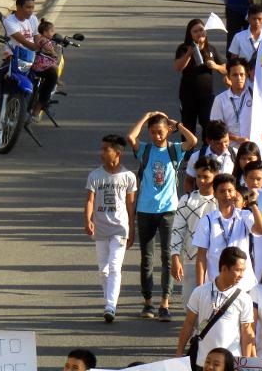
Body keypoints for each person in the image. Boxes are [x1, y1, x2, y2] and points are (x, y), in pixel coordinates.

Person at [126, 110, 198, 321]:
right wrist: (146, 116)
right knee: (147, 258)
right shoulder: (145, 150)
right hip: (146, 209)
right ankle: (148, 302)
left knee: (168, 257)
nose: (158, 136)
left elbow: (192, 140)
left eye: (161, 131)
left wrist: (177, 124)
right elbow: (131, 137)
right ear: (149, 132)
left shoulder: (175, 150)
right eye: (153, 132)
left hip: (168, 211)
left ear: (168, 131)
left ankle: (164, 303)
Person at [84, 134, 137, 323]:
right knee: (103, 270)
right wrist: (87, 219)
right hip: (101, 228)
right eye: (102, 148)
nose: (102, 152)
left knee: (115, 266)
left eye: (106, 149)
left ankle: (110, 306)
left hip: (120, 229)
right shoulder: (95, 175)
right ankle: (108, 302)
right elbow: (90, 200)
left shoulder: (128, 177)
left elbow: (131, 205)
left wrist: (132, 228)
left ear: (118, 153)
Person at [177, 247, 257, 361]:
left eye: (244, 270)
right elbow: (188, 324)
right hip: (203, 362)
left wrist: (246, 362)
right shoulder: (200, 292)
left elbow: (247, 332)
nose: (242, 275)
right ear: (224, 268)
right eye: (238, 270)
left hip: (231, 363)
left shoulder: (245, 298)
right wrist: (179, 353)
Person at [192, 173, 262, 290]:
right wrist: (199, 288)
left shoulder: (244, 215)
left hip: (244, 285)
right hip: (217, 285)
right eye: (222, 191)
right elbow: (201, 257)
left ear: (235, 192)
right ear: (215, 194)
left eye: (230, 191)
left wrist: (253, 204)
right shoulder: (207, 220)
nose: (227, 195)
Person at [0, 0, 41, 119]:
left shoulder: (33, 19)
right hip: (14, 56)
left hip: (30, 57)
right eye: (28, 7)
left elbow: (36, 35)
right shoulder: (9, 21)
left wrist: (41, 43)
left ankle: (36, 109)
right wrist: (38, 46)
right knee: (0, 75)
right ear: (18, 7)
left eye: (32, 7)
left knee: (49, 74)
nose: (30, 10)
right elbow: (23, 41)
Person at [172, 155, 219, 294]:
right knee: (191, 305)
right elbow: (177, 230)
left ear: (216, 177)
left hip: (218, 262)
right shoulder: (186, 200)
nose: (201, 181)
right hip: (191, 260)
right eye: (198, 177)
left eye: (206, 177)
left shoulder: (222, 202)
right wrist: (175, 257)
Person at [176, 19, 225, 135]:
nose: (199, 33)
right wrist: (188, 53)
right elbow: (178, 67)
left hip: (207, 96)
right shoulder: (183, 48)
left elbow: (226, 69)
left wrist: (216, 66)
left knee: (207, 123)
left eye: (201, 30)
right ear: (190, 34)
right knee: (188, 126)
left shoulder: (211, 49)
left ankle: (206, 149)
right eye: (195, 31)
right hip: (188, 95)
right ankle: (187, 151)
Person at [210, 57, 252, 145]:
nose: (239, 78)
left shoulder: (254, 96)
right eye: (235, 75)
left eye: (242, 74)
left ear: (247, 75)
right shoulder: (220, 99)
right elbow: (216, 128)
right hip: (229, 149)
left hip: (251, 149)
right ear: (228, 76)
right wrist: (237, 139)